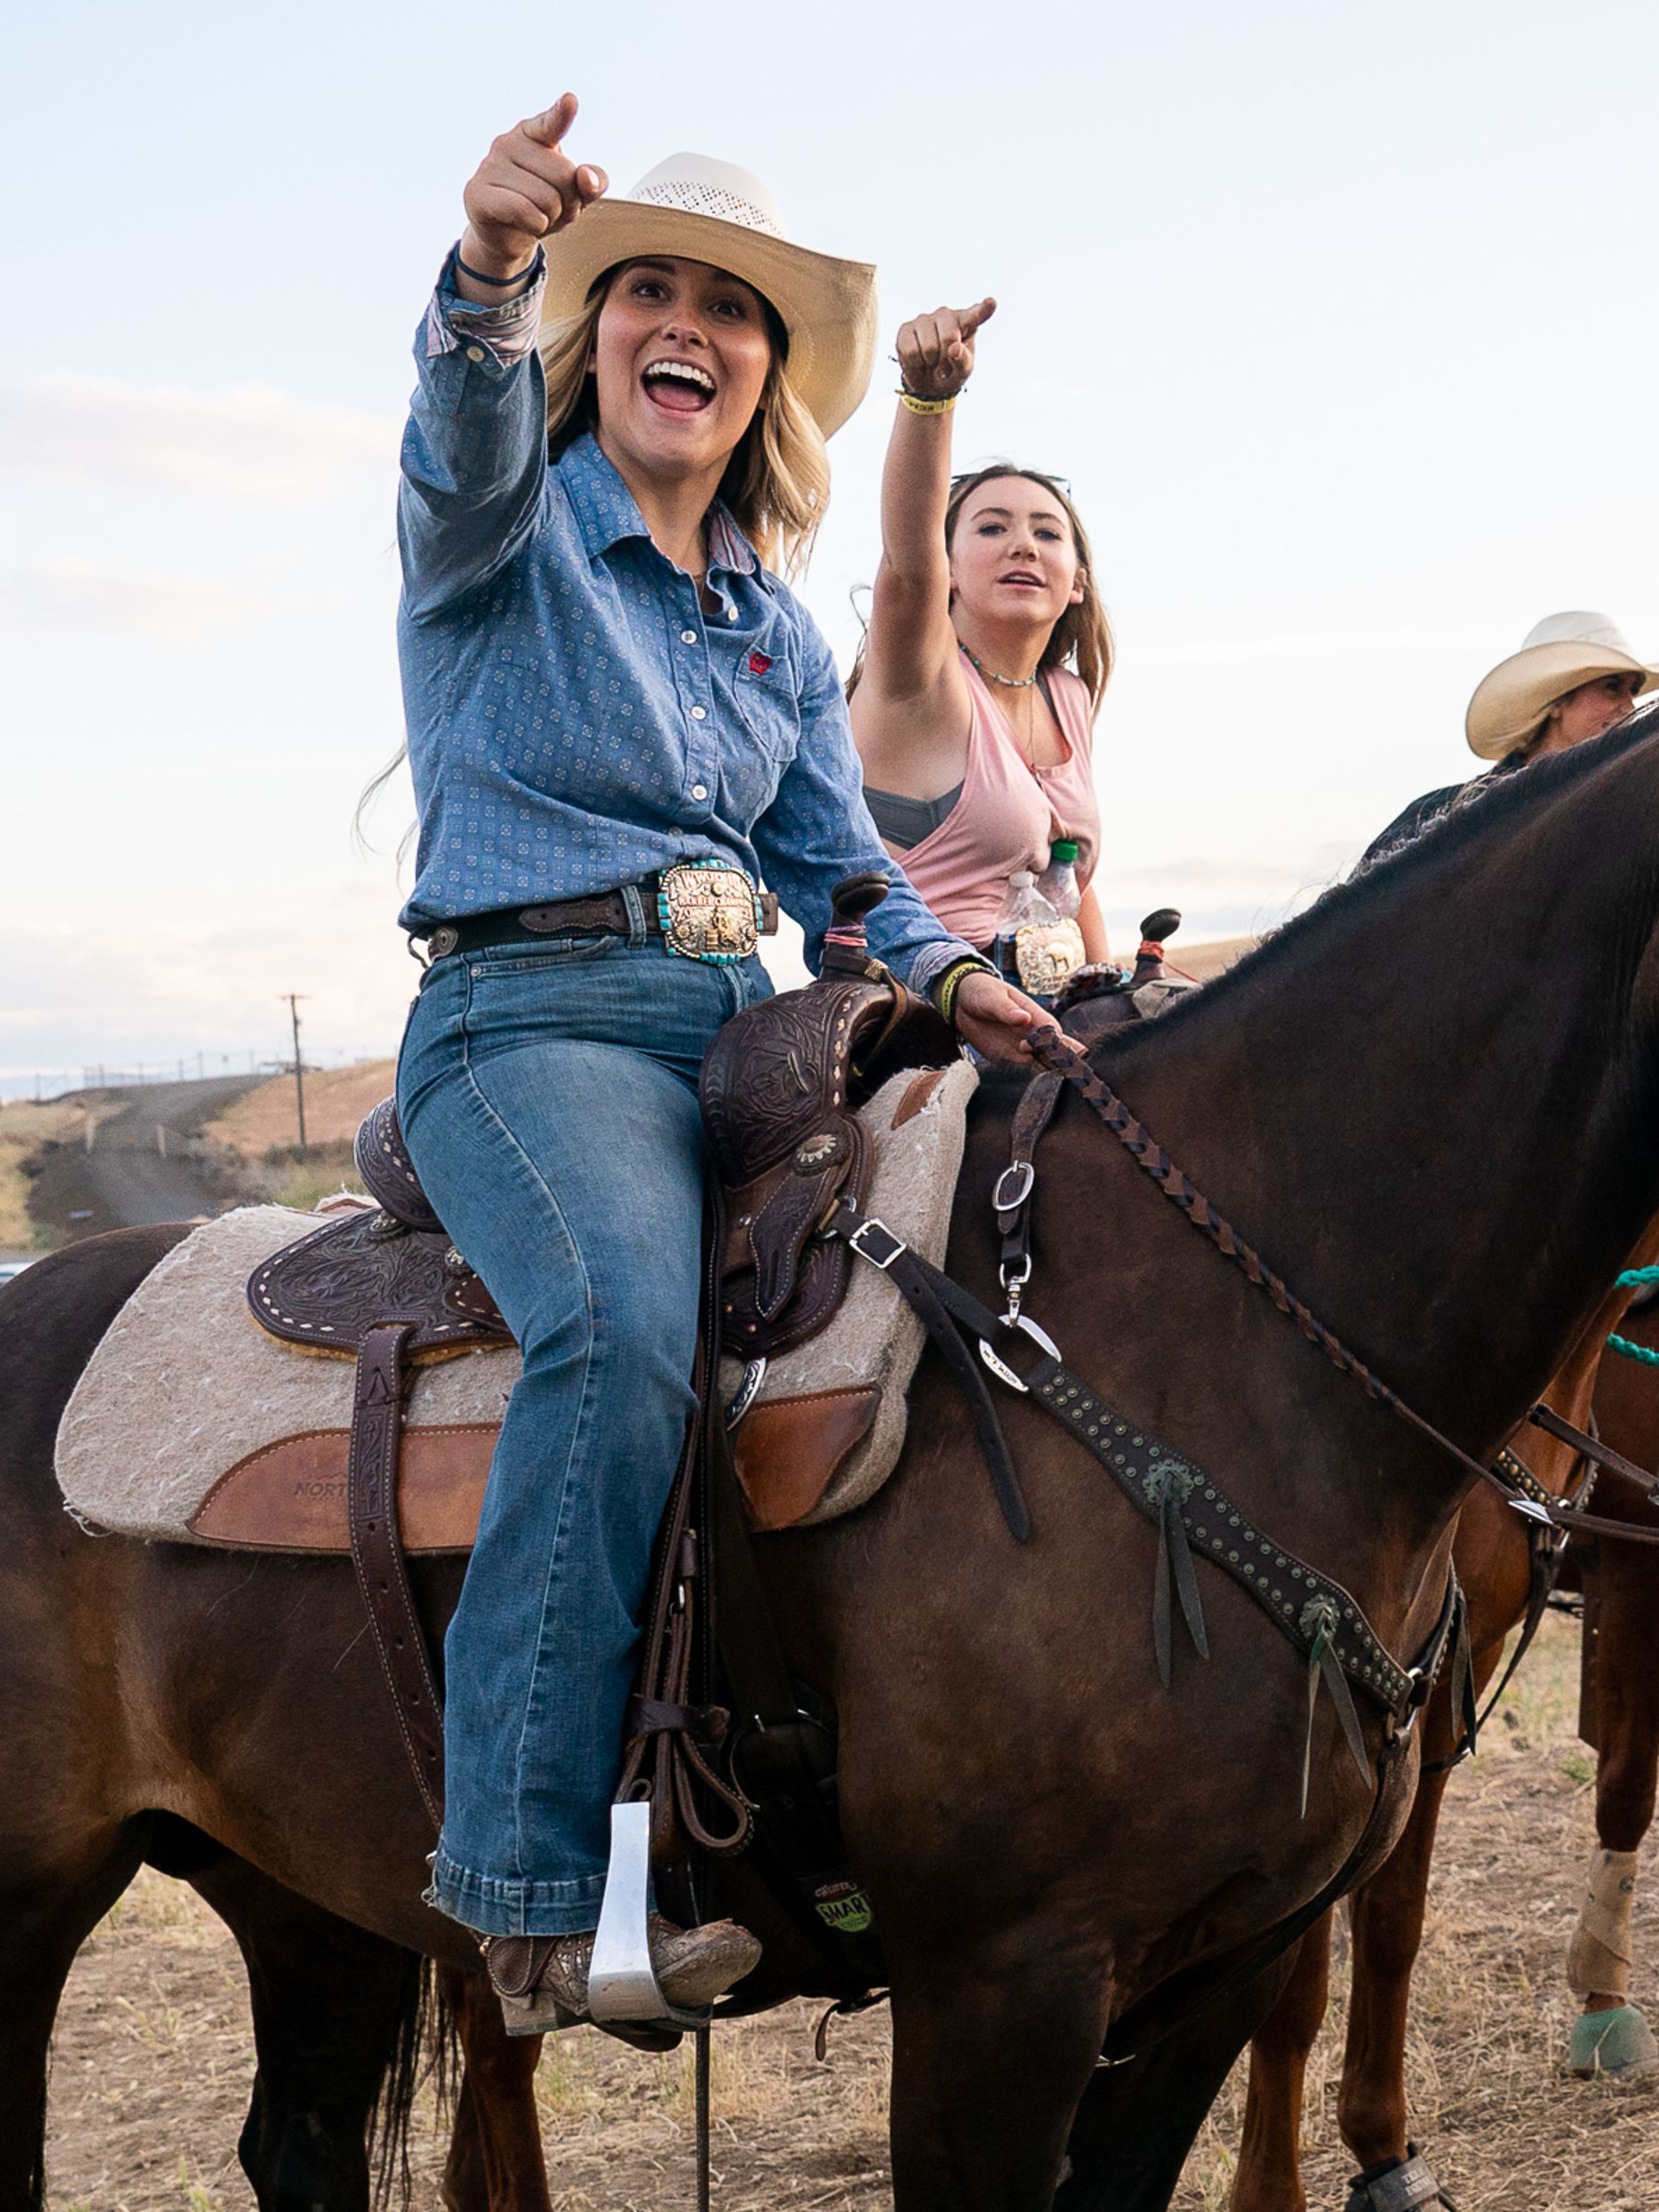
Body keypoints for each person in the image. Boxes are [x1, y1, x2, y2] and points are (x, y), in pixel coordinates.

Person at [394, 97, 1053, 2034]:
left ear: (769, 370)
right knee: (617, 1329)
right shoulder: (506, 529)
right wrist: (492, 268)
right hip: (529, 1025)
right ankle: (525, 1884)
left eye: (731, 310)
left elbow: (840, 868)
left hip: (738, 1022)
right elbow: (459, 424)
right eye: (648, 293)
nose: (686, 326)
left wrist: (962, 973)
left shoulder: (768, 614)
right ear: (599, 337)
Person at [849, 309, 1114, 980]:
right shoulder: (919, 679)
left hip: (1047, 1008)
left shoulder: (1069, 696)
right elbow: (908, 566)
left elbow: (1069, 887)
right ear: (950, 567)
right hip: (918, 1009)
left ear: (1076, 582)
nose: (1023, 544)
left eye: (1048, 534)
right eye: (992, 528)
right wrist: (928, 401)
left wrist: (1110, 995)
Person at [1357, 612, 1659, 871]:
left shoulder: (1630, 828)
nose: (1628, 707)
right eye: (1612, 687)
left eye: (1632, 691)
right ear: (1556, 702)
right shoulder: (1439, 820)